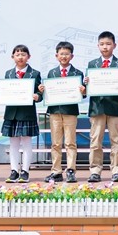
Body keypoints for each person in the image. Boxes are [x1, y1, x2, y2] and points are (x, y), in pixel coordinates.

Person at [85, 31, 118, 183]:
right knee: (95, 141)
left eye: (108, 44)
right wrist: (86, 83)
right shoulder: (92, 65)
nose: (105, 47)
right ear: (98, 46)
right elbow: (87, 88)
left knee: (116, 141)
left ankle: (116, 171)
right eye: (102, 44)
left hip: (115, 107)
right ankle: (95, 170)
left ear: (114, 45)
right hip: (97, 108)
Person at [44, 41, 85, 184]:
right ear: (56, 56)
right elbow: (48, 92)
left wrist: (83, 91)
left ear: (72, 56)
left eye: (67, 54)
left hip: (70, 112)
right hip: (55, 111)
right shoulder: (52, 73)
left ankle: (71, 170)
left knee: (70, 142)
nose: (64, 56)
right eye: (61, 54)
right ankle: (56, 171)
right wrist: (43, 91)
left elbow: (83, 94)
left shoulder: (78, 73)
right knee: (55, 143)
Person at [2, 44, 43, 183]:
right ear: (12, 57)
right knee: (13, 143)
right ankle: (13, 171)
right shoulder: (8, 73)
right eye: (17, 54)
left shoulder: (35, 73)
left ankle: (25, 171)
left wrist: (38, 96)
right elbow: (4, 91)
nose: (20, 57)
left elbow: (39, 93)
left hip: (27, 113)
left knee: (26, 142)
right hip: (11, 113)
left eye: (23, 54)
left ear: (28, 57)